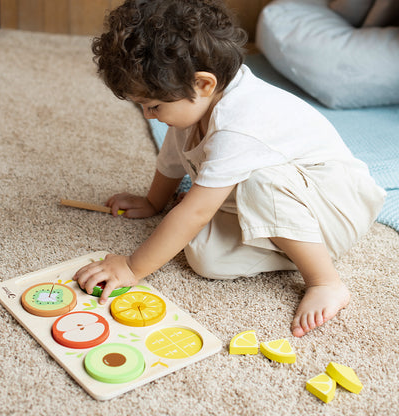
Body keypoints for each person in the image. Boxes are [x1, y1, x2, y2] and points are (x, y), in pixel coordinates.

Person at [73, 0, 385, 337]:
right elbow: (173, 160)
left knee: (246, 189)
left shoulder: (239, 122)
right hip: (293, 205)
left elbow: (194, 213)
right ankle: (286, 240)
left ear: (203, 84)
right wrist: (153, 202)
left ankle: (325, 280)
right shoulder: (191, 103)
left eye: (154, 106)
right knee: (203, 257)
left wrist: (132, 268)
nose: (149, 116)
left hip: (336, 207)